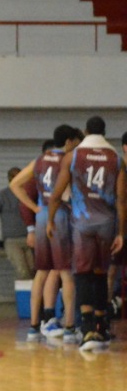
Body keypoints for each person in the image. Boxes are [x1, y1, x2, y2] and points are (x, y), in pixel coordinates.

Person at [48, 116, 124, 351]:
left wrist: (50, 220)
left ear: (85, 131)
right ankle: (102, 327)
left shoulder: (73, 157)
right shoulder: (116, 159)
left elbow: (57, 192)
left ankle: (87, 329)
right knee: (101, 273)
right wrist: (121, 232)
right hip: (106, 224)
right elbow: (122, 199)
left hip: (82, 223)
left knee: (82, 273)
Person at [12, 127, 82, 342]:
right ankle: (70, 326)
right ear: (69, 142)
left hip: (41, 217)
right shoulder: (69, 160)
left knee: (42, 271)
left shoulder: (40, 160)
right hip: (59, 215)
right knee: (65, 272)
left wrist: (34, 209)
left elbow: (15, 184)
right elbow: (71, 193)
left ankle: (34, 326)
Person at [0, 167, 35, 281]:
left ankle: (34, 297)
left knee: (33, 270)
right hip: (12, 240)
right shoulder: (2, 196)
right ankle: (25, 298)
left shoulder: (28, 194)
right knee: (23, 271)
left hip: (29, 239)